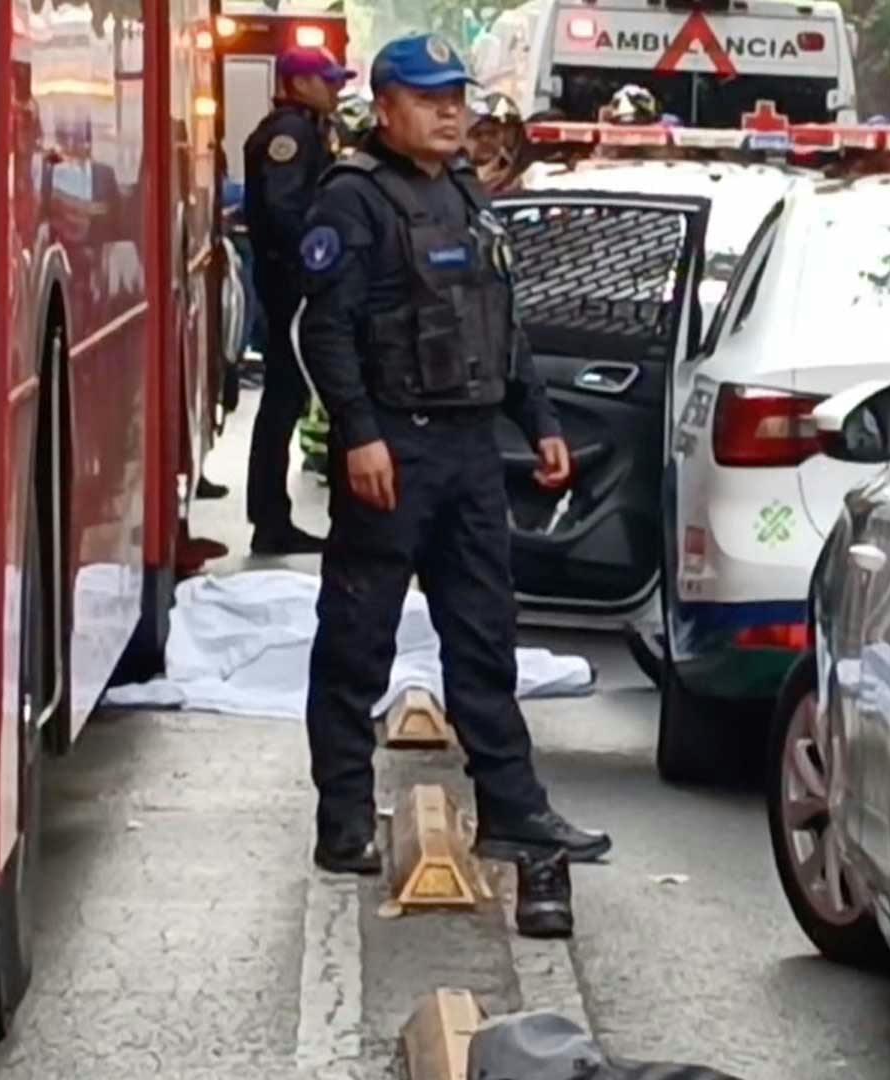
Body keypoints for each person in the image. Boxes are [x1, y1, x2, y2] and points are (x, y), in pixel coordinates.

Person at [295, 31, 611, 874]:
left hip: (471, 452)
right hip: (395, 449)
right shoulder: (354, 198)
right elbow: (325, 331)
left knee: (484, 638)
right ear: (386, 105)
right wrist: (357, 433)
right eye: (430, 99)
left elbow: (499, 324)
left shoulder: (468, 193)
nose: (449, 113)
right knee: (358, 640)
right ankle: (344, 821)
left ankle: (512, 810)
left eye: (456, 99)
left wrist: (539, 419)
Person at [242, 45, 354, 555]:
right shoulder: (290, 134)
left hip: (289, 286)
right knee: (285, 401)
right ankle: (270, 520)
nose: (336, 88)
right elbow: (287, 212)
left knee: (286, 401)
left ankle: (271, 516)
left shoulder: (306, 128)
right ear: (297, 82)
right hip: (292, 289)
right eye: (327, 80)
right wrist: (318, 267)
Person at [467, 90, 524, 191]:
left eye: (492, 133)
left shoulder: (512, 170)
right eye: (478, 134)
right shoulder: (451, 171)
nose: (485, 139)